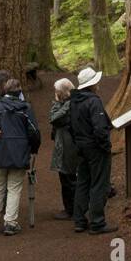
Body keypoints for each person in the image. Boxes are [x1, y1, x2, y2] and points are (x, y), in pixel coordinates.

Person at [0, 78, 41, 236]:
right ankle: (10, 223)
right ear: (19, 92)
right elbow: (34, 132)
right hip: (19, 154)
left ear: (5, 91)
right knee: (14, 188)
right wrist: (34, 149)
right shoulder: (25, 109)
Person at [69, 65, 114, 234]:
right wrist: (105, 146)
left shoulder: (74, 101)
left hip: (81, 147)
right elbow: (100, 129)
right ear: (92, 84)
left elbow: (71, 126)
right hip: (95, 148)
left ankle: (79, 220)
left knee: (83, 182)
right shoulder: (93, 101)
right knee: (99, 183)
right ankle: (97, 222)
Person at [49, 77, 77, 219]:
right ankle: (71, 208)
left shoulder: (69, 105)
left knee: (68, 178)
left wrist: (61, 103)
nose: (55, 93)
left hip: (68, 146)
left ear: (63, 92)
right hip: (65, 144)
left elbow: (54, 118)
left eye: (57, 91)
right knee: (66, 177)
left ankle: (71, 210)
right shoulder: (64, 104)